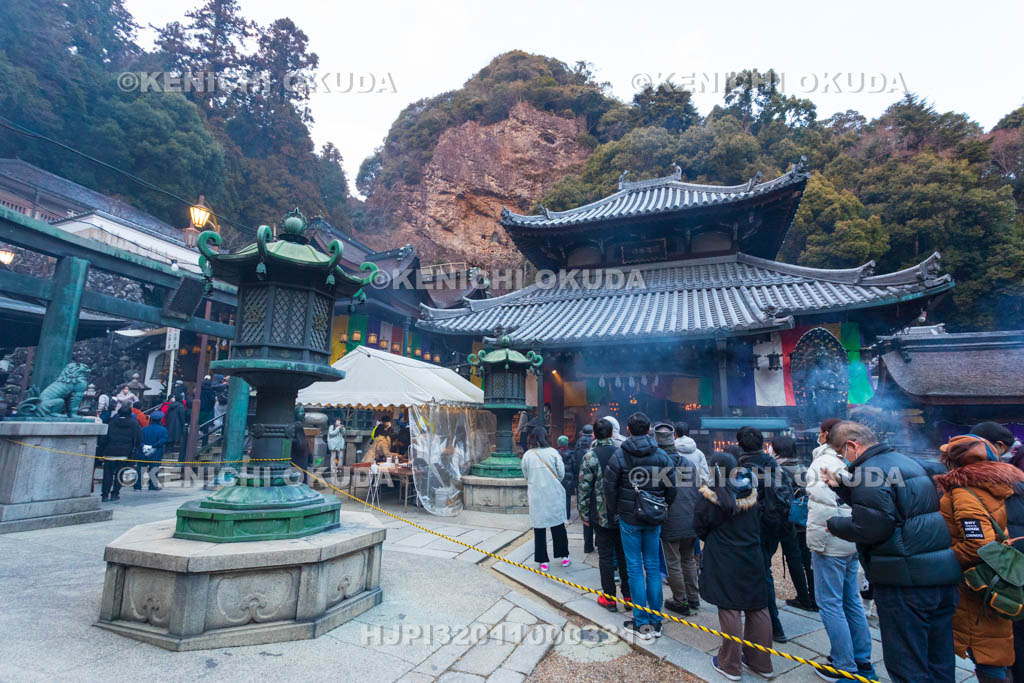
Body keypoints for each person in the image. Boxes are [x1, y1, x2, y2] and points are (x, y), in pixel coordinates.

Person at [823, 420, 962, 683]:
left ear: (853, 445)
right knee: (939, 659)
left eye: (842, 452)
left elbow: (872, 526)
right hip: (939, 575)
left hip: (905, 580)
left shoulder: (870, 470)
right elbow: (893, 507)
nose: (843, 458)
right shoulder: (904, 462)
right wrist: (840, 487)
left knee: (908, 663)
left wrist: (834, 523)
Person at [935, 434, 1024, 683]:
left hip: (977, 584)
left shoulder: (964, 492)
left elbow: (977, 544)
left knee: (986, 648)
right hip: (996, 577)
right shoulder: (994, 484)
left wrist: (945, 561)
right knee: (993, 645)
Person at [805, 418, 875, 681]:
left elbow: (824, 500)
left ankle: (845, 665)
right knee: (851, 601)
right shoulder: (855, 463)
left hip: (830, 539)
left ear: (827, 436)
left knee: (830, 604)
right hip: (852, 537)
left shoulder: (824, 463)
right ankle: (862, 659)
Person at [695, 451, 774, 681]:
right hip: (751, 552)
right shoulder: (751, 490)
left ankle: (729, 664)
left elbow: (699, 526)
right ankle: (761, 662)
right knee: (758, 606)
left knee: (729, 606)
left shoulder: (709, 497)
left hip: (723, 555)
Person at [604, 412, 676, 640]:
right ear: (649, 431)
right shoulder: (662, 456)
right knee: (653, 566)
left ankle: (641, 620)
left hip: (629, 518)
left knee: (634, 567)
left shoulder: (619, 456)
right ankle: (655, 619)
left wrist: (616, 511)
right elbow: (672, 488)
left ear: (628, 430)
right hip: (653, 518)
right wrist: (662, 505)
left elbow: (609, 488)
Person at [736, 425, 794, 643]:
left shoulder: (740, 467)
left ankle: (772, 626)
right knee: (764, 569)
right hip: (774, 525)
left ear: (740, 444)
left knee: (760, 574)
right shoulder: (773, 464)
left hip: (752, 527)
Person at [578, 419, 630, 611]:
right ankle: (629, 595)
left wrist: (584, 513)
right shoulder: (622, 453)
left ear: (594, 435)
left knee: (606, 556)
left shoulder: (590, 456)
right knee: (625, 554)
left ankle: (609, 598)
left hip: (601, 514)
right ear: (612, 434)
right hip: (624, 512)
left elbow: (584, 488)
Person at [656, 422, 701, 616]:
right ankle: (694, 598)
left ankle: (680, 600)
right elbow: (698, 489)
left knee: (673, 561)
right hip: (691, 517)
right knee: (689, 559)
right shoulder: (689, 464)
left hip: (671, 518)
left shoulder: (657, 465)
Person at [769, 434, 816, 612]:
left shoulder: (778, 471)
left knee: (794, 559)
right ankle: (815, 598)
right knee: (807, 560)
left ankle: (803, 598)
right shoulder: (805, 468)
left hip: (789, 522)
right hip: (806, 519)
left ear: (777, 450)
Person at [520, 426, 570, 572]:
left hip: (536, 495)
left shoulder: (528, 455)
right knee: (558, 526)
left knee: (539, 528)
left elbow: (526, 475)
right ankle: (564, 556)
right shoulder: (553, 452)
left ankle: (543, 560)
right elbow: (561, 473)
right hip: (553, 493)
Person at [99, 405, 141, 502]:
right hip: (125, 452)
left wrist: (101, 452)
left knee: (107, 474)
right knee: (120, 473)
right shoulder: (134, 424)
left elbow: (104, 439)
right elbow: (138, 439)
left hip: (110, 451)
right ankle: (115, 493)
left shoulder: (112, 423)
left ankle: (105, 494)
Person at [574, 424, 596, 552]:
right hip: (595, 481)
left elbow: (575, 461)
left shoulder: (578, 444)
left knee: (585, 512)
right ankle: (598, 542)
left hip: (581, 478)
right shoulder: (594, 443)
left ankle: (587, 545)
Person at [136, 411, 167, 491]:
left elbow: (138, 440)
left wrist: (144, 446)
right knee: (154, 469)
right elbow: (163, 440)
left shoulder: (143, 429)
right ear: (160, 420)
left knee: (140, 469)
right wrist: (153, 446)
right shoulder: (163, 430)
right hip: (156, 452)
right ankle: (152, 486)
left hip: (143, 451)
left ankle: (138, 486)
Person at [674, 421, 710, 485]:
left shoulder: (670, 453)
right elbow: (705, 477)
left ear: (675, 434)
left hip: (676, 492)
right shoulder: (699, 454)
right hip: (695, 492)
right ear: (688, 433)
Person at [557, 435, 575, 520]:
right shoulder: (572, 454)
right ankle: (567, 516)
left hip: (559, 480)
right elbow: (574, 468)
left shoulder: (555, 454)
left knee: (558, 498)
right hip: (568, 480)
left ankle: (559, 515)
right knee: (567, 498)